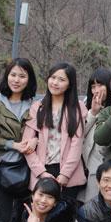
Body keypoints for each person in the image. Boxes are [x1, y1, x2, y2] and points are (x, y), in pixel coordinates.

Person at [0, 58, 38, 222]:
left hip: (28, 170)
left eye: (22, 76)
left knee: (26, 221)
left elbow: (44, 132)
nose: (16, 80)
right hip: (2, 169)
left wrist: (36, 140)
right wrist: (12, 144)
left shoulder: (35, 105)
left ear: (29, 79)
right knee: (4, 221)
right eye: (13, 75)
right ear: (7, 76)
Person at [22, 62, 87, 197]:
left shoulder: (77, 108)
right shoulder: (37, 107)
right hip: (42, 171)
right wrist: (41, 172)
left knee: (65, 210)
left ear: (70, 84)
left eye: (61, 79)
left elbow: (77, 145)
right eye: (53, 77)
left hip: (68, 175)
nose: (55, 83)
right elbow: (26, 146)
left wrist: (65, 174)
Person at [78, 66, 111, 204]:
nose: (96, 90)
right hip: (83, 169)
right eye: (93, 86)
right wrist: (92, 113)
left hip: (103, 170)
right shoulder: (84, 106)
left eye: (100, 85)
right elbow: (78, 134)